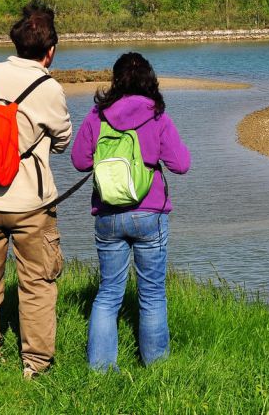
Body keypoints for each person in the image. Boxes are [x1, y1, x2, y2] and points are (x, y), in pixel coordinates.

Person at [0, 2, 72, 379]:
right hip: (31, 203)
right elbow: (62, 140)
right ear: (51, 50)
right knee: (38, 285)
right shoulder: (49, 87)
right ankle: (37, 365)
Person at [70, 52, 190, 371]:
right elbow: (182, 165)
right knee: (151, 296)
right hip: (150, 213)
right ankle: (157, 368)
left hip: (107, 215)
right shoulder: (158, 115)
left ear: (115, 81)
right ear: (150, 80)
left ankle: (100, 371)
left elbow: (80, 161)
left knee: (108, 294)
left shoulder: (98, 115)